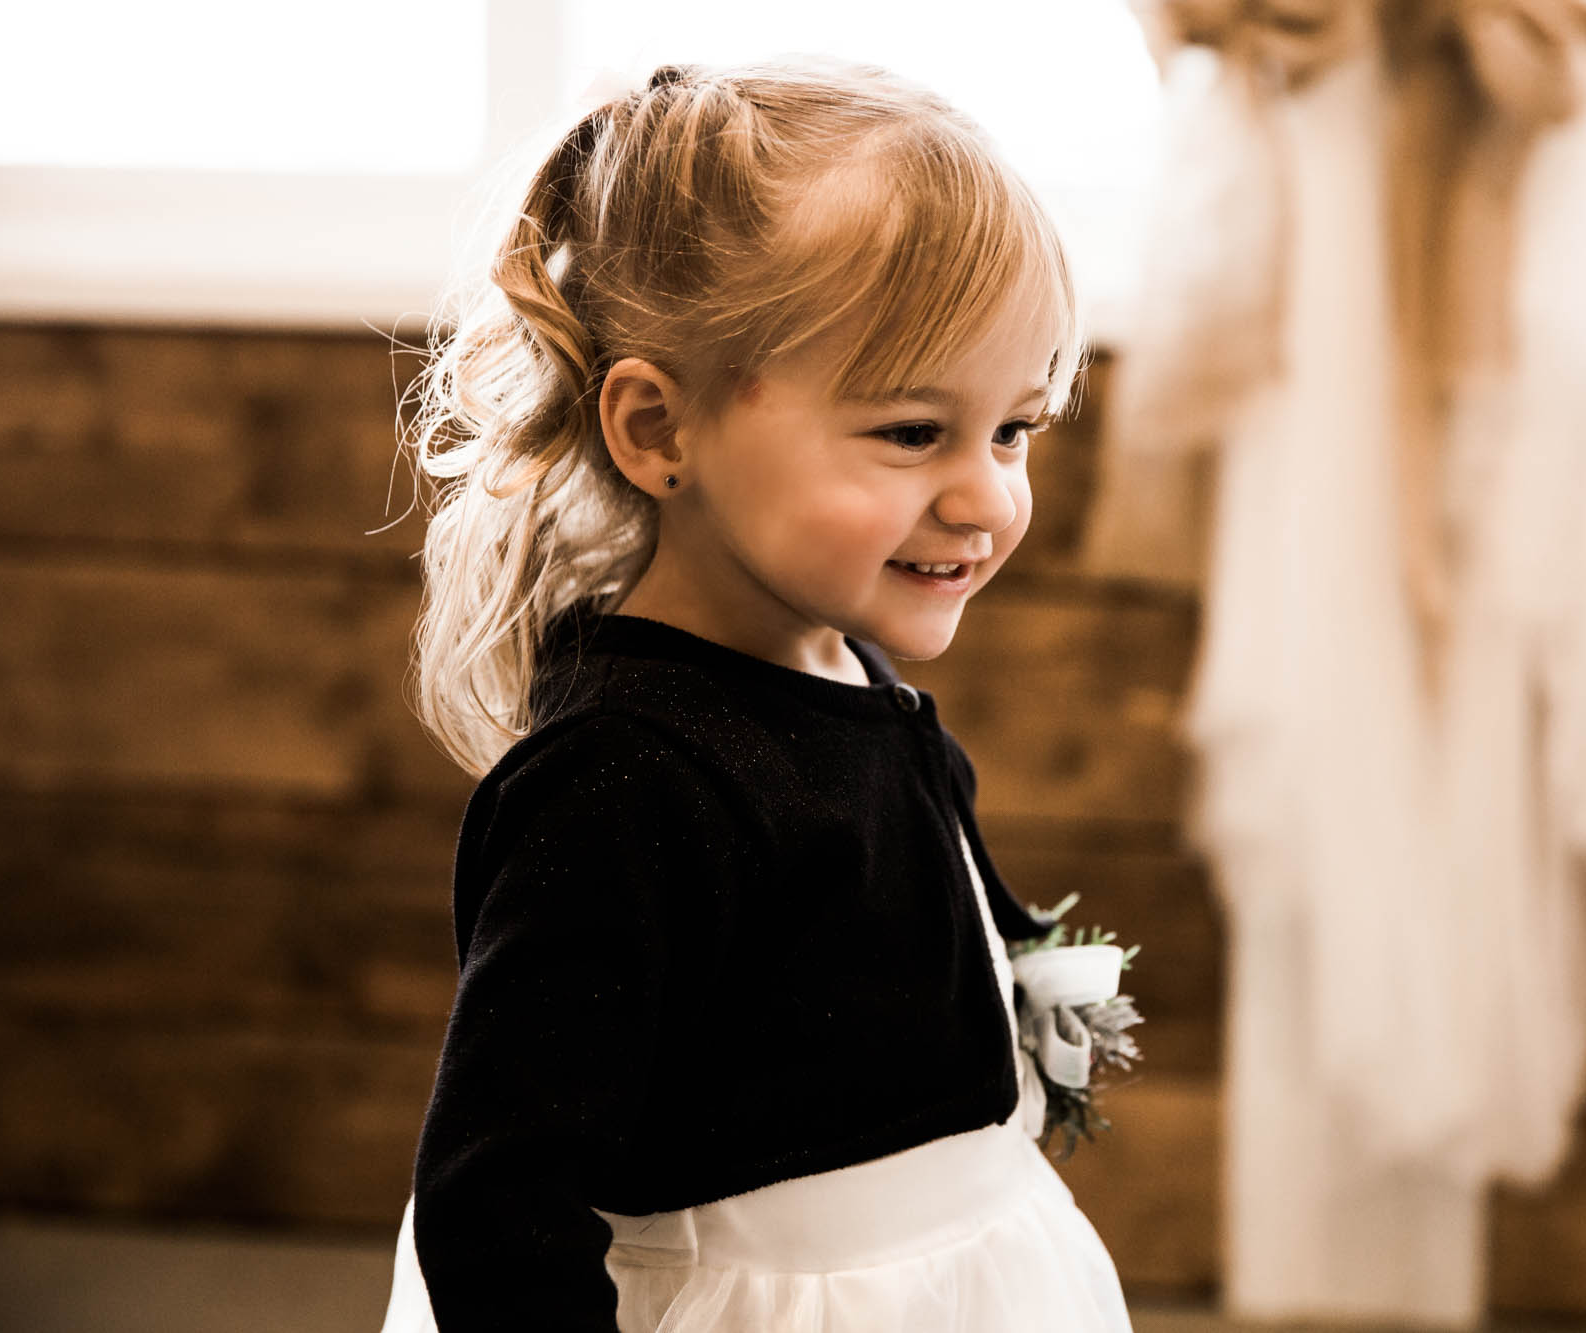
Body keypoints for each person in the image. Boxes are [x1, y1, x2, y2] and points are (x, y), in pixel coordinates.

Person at [376, 56, 1133, 1333]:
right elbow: (495, 1193)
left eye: (1015, 429)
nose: (988, 498)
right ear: (659, 431)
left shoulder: (849, 670)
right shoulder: (622, 780)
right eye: (911, 432)